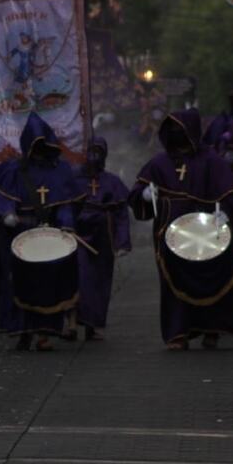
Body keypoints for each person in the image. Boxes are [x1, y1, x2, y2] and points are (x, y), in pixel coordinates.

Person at [128, 109, 233, 350]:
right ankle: (177, 332)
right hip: (170, 233)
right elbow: (137, 194)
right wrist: (144, 195)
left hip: (205, 231)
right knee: (173, 282)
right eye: (171, 130)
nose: (176, 135)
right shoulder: (159, 163)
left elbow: (231, 195)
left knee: (211, 277)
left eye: (180, 130)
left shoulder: (212, 161)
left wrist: (224, 211)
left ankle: (211, 328)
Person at [0, 112, 83, 351]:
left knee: (48, 284)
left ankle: (45, 333)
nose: (39, 150)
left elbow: (66, 204)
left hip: (50, 234)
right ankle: (23, 330)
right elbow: (1, 196)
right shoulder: (13, 171)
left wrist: (66, 225)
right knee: (20, 281)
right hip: (22, 232)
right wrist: (6, 212)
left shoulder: (61, 171)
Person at [74, 136, 130, 340]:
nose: (93, 156)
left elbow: (122, 214)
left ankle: (94, 324)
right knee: (79, 277)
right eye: (90, 151)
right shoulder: (74, 179)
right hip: (79, 232)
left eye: (98, 152)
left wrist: (122, 242)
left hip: (103, 234)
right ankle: (71, 320)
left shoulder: (112, 182)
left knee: (101, 280)